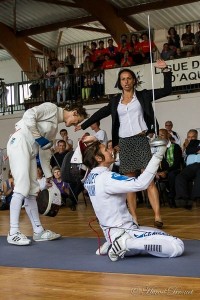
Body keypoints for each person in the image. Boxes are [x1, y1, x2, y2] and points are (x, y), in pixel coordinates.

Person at [75, 59, 172, 227]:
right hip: (125, 143)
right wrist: (83, 124)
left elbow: (167, 90)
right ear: (119, 83)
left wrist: (166, 70)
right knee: (129, 182)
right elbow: (100, 113)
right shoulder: (115, 102)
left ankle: (158, 217)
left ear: (134, 80)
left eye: (129, 78)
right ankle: (134, 218)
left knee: (148, 180)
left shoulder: (143, 96)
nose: (126, 82)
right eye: (123, 79)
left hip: (141, 140)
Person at [82, 137, 184, 261]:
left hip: (113, 231)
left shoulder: (90, 179)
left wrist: (96, 141)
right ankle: (125, 244)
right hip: (125, 232)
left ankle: (111, 244)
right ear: (98, 158)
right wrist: (158, 155)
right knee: (177, 245)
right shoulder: (107, 178)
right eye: (106, 150)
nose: (110, 151)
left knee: (163, 235)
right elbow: (140, 184)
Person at [6, 102, 88, 246]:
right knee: (22, 188)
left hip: (30, 152)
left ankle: (38, 231)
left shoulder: (54, 127)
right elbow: (28, 115)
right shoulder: (51, 108)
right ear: (74, 112)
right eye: (78, 120)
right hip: (19, 143)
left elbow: (44, 152)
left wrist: (48, 175)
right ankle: (13, 232)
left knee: (32, 191)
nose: (75, 125)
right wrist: (38, 137)